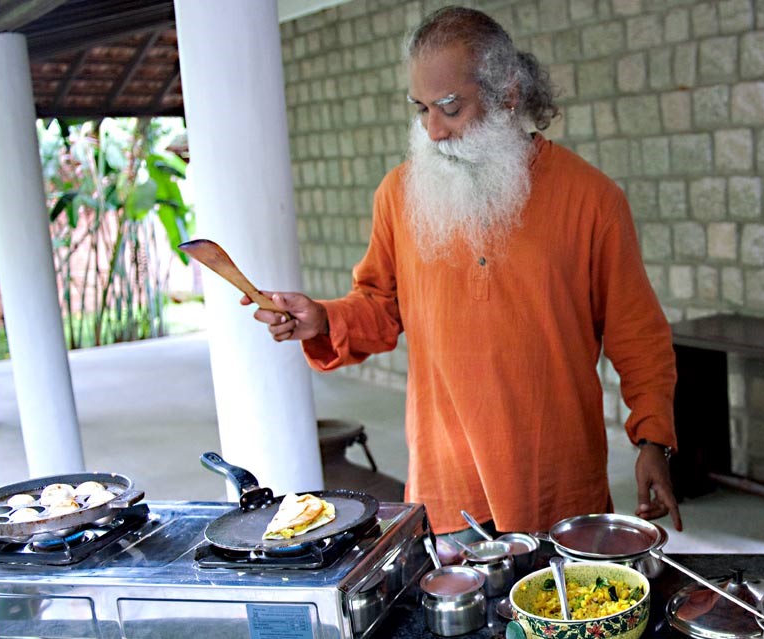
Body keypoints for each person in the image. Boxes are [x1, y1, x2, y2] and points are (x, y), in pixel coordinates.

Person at [243, 6, 682, 545]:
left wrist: (652, 441)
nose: (433, 130)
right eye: (421, 108)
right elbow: (380, 307)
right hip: (448, 489)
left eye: (450, 107)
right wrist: (322, 319)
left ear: (508, 94)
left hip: (559, 484)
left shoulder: (591, 199)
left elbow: (638, 335)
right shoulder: (399, 195)